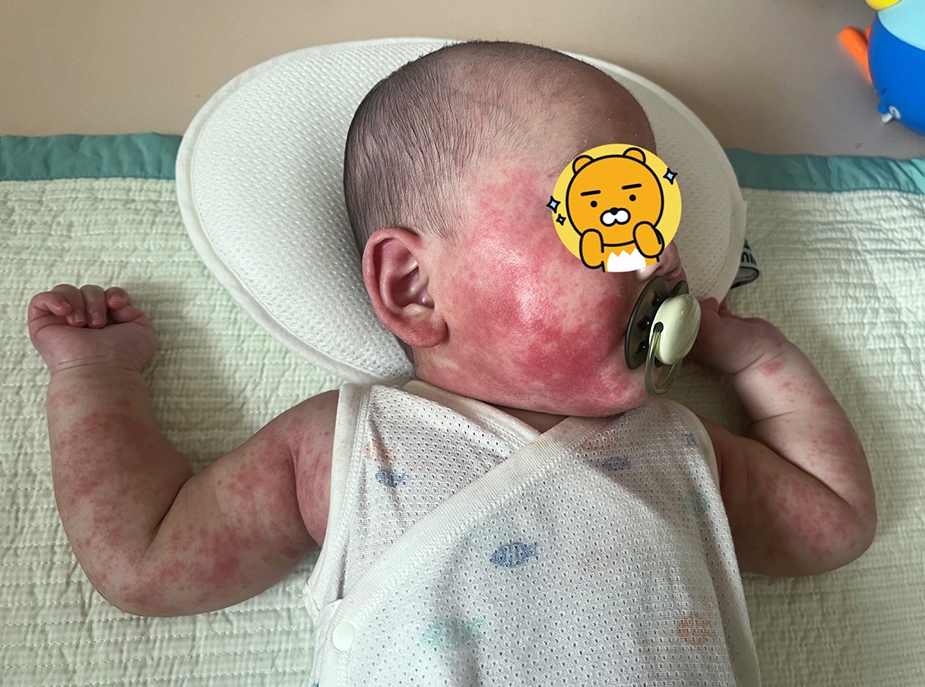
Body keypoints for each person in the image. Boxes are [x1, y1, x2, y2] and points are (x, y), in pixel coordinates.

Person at [27, 41, 876, 685]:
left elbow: (833, 519)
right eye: (605, 212)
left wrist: (758, 358)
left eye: (656, 212)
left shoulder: (682, 448)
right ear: (413, 286)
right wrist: (96, 378)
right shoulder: (349, 446)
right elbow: (146, 557)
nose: (657, 253)